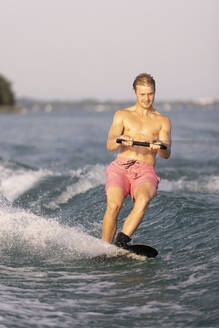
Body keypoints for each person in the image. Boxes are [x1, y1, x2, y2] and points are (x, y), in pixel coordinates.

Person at [102, 73, 172, 249]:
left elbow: (166, 154)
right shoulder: (122, 115)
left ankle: (120, 243)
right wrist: (120, 139)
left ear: (154, 92)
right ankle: (103, 248)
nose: (147, 98)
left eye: (150, 94)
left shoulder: (163, 121)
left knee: (143, 200)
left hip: (146, 170)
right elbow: (110, 144)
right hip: (121, 167)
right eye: (142, 94)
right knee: (114, 204)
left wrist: (161, 146)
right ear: (135, 93)